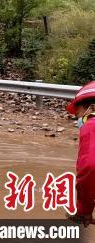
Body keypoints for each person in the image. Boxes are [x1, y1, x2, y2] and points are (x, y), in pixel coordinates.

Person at [66, 81, 95, 227]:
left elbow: (89, 167)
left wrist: (84, 210)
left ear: (91, 108)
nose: (78, 119)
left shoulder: (90, 125)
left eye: (78, 114)